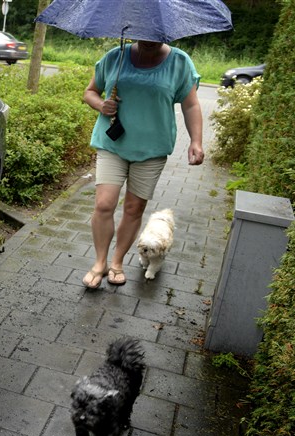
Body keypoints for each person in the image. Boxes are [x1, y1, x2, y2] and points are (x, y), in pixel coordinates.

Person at [81, 40, 204, 288]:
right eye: (144, 34)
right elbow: (90, 92)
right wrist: (100, 104)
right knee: (104, 204)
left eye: (155, 36)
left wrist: (196, 141)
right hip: (112, 143)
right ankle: (99, 262)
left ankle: (117, 262)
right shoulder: (116, 57)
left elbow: (190, 104)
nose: (149, 40)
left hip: (152, 149)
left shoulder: (179, 62)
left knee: (133, 209)